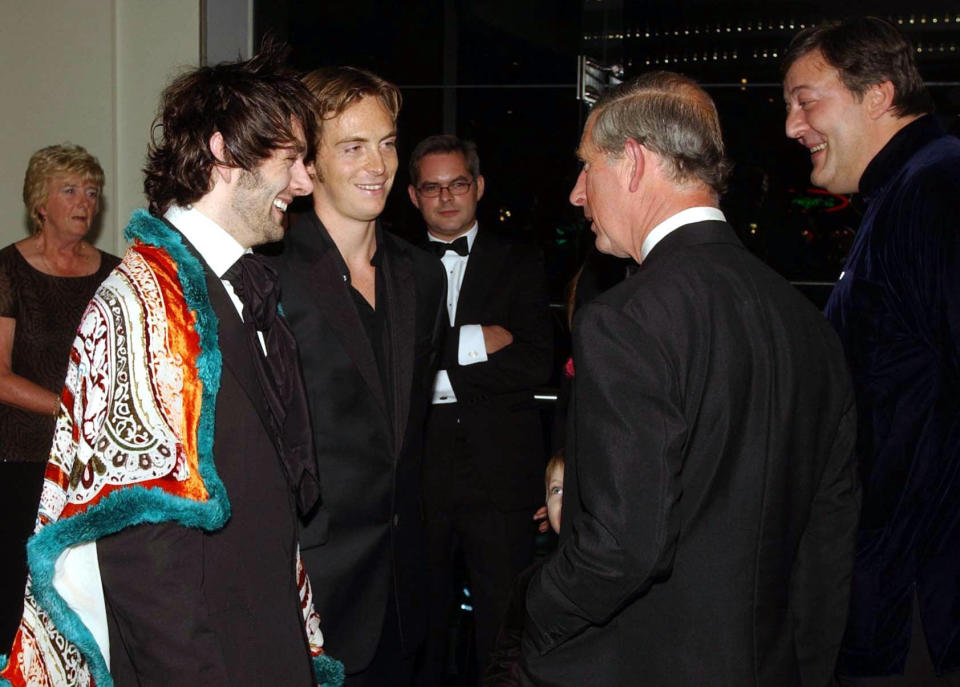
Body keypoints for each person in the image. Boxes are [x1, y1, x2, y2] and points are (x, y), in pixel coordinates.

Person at [0, 47, 343, 687]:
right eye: (292, 159)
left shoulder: (223, 285)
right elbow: (143, 557)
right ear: (224, 151)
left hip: (257, 635)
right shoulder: (145, 304)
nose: (303, 183)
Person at [520, 71, 859, 687]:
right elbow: (827, 544)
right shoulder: (808, 325)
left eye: (584, 167)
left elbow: (622, 547)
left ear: (633, 162)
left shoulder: (624, 319)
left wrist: (537, 612)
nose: (575, 194)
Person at [783, 17, 960, 685]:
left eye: (805, 99)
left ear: (879, 94)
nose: (792, 126)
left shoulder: (934, 188)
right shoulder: (907, 191)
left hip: (925, 603)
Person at [268, 66, 446, 687]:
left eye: (389, 142)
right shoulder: (269, 278)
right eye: (353, 146)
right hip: (309, 594)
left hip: (408, 592)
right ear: (308, 163)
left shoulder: (423, 276)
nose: (380, 164)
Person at [407, 134, 553, 684]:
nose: (446, 197)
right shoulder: (388, 262)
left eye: (458, 184)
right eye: (432, 187)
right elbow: (394, 362)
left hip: (502, 474)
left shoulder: (521, 260)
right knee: (423, 620)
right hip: (419, 471)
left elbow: (537, 361)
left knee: (503, 621)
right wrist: (473, 342)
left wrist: (435, 372)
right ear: (414, 196)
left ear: (479, 187)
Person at [0, 144, 120, 647]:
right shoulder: (8, 269)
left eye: (91, 192)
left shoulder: (118, 271)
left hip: (96, 462)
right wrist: (69, 410)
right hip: (23, 457)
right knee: (17, 594)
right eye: (69, 190)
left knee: (91, 595)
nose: (84, 202)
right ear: (40, 203)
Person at [485, 453, 564, 687]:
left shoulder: (611, 575)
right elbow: (506, 659)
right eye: (556, 491)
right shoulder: (530, 581)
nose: (562, 501)